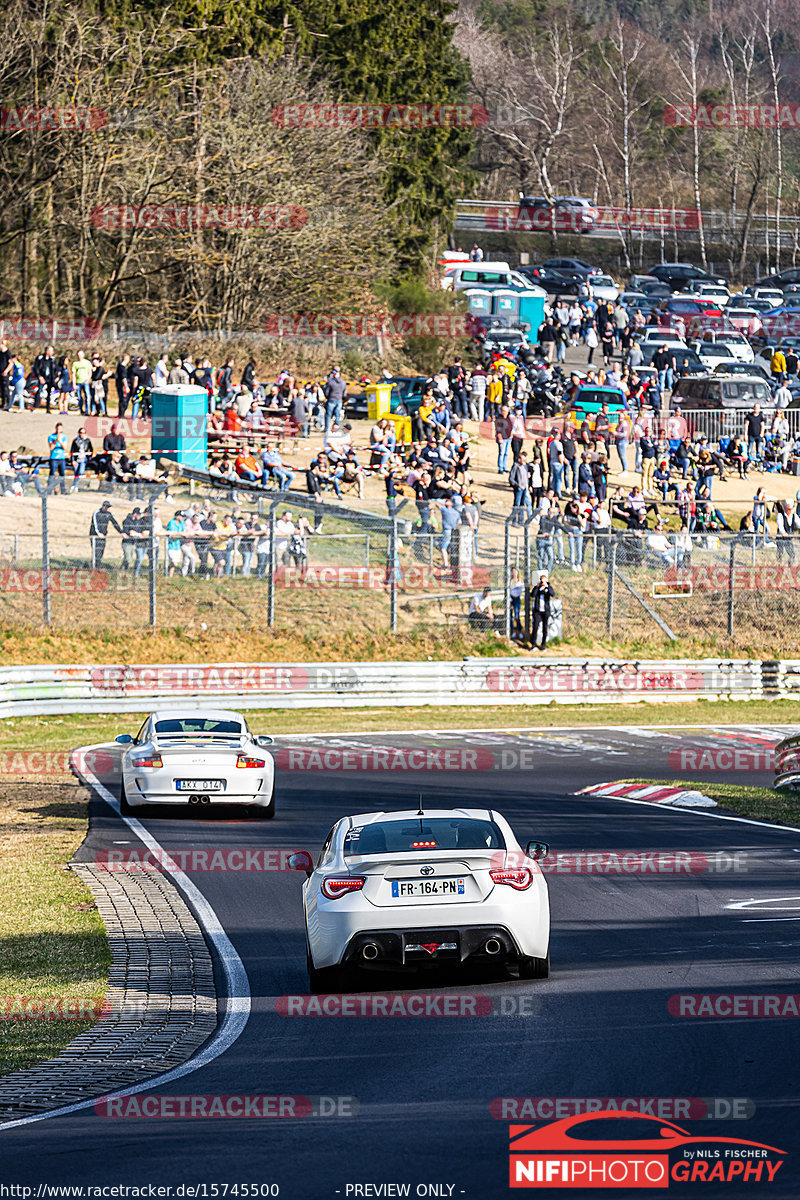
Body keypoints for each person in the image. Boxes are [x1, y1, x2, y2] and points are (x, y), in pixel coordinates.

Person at [89, 500, 121, 568]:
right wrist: (98, 533)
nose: (107, 508)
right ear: (103, 506)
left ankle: (98, 565)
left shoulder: (108, 514)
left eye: (108, 507)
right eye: (106, 507)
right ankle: (94, 567)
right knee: (96, 551)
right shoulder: (96, 513)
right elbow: (95, 524)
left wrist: (121, 531)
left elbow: (114, 523)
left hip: (103, 536)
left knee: (101, 551)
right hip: (95, 535)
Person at [530, 572, 555, 650]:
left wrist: (547, 586)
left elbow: (553, 594)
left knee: (545, 628)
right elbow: (532, 595)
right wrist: (537, 586)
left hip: (545, 611)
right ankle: (533, 643)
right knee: (535, 627)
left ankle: (543, 645)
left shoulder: (548, 588)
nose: (542, 582)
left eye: (544, 581)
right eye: (541, 581)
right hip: (538, 611)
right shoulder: (537, 588)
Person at [46, 422, 68, 495]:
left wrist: (60, 440)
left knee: (62, 474)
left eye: (60, 429)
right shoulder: (51, 436)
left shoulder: (64, 437)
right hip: (54, 458)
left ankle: (63, 490)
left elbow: (65, 447)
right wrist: (56, 440)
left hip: (61, 458)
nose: (59, 430)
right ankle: (49, 490)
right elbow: (51, 447)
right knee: (52, 474)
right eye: (58, 428)